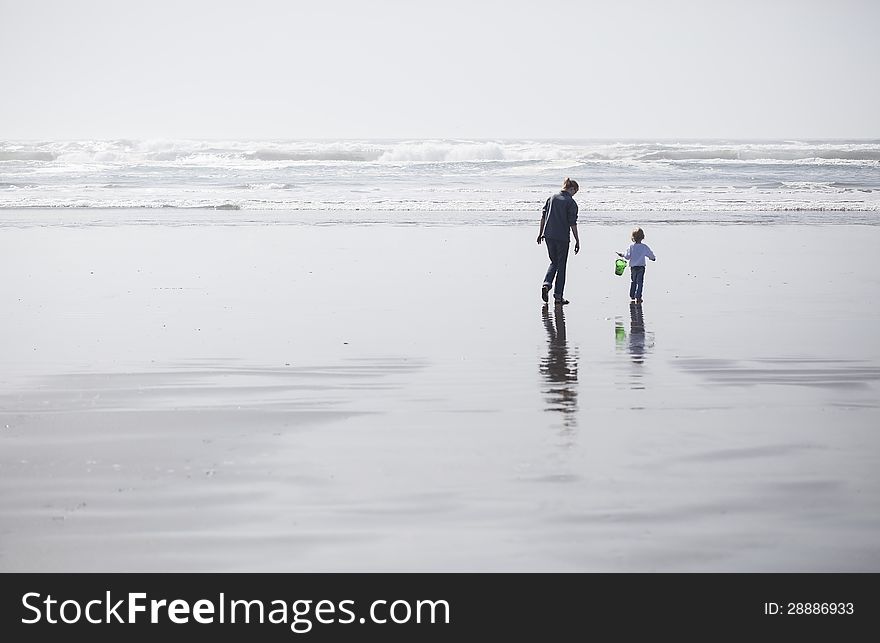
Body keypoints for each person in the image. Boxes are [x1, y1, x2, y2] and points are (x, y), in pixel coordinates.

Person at [537, 178, 581, 305]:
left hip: (548, 235)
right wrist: (577, 240)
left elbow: (543, 217)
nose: (574, 194)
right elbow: (572, 223)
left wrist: (540, 233)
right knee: (561, 266)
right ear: (572, 189)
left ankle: (547, 284)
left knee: (553, 262)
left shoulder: (551, 198)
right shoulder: (571, 203)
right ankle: (558, 296)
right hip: (562, 238)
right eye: (575, 192)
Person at [617, 227, 656, 303]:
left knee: (633, 281)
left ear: (633, 237)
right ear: (643, 237)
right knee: (640, 282)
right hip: (641, 267)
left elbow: (627, 256)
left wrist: (622, 255)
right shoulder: (644, 247)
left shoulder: (631, 247)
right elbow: (650, 254)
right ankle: (638, 296)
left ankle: (632, 295)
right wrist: (653, 258)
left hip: (633, 267)